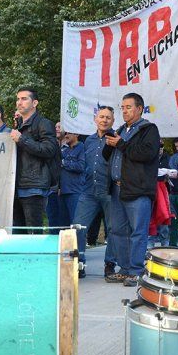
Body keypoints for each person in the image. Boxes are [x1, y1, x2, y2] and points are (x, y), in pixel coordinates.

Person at [102, 93, 160, 286]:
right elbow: (106, 156)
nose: (124, 111)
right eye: (122, 107)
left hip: (137, 190)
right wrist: (110, 142)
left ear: (139, 108)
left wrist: (121, 144)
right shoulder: (120, 129)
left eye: (128, 107)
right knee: (117, 230)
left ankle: (136, 271)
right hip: (118, 188)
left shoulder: (148, 129)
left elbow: (146, 154)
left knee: (137, 232)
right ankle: (124, 268)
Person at [73, 106, 117, 279]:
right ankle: (79, 263)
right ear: (95, 119)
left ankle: (110, 265)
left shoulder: (116, 139)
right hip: (88, 191)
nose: (104, 120)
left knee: (112, 229)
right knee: (77, 226)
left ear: (113, 121)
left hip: (109, 192)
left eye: (108, 117)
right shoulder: (88, 141)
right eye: (101, 116)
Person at [10, 86, 60, 227]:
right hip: (16, 186)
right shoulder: (18, 126)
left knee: (33, 232)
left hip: (34, 186)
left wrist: (22, 140)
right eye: (18, 99)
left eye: (24, 98)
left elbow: (49, 150)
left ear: (35, 103)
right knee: (18, 233)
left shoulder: (44, 123)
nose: (19, 102)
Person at [58, 132, 85, 268]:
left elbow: (81, 166)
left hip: (76, 192)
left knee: (76, 228)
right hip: (62, 192)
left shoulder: (82, 147)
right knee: (64, 229)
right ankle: (65, 262)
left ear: (77, 134)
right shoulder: (63, 148)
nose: (65, 135)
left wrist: (63, 162)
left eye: (68, 132)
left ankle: (80, 262)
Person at [147, 141, 171, 249]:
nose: (160, 149)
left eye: (161, 147)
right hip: (151, 189)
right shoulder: (149, 158)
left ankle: (165, 243)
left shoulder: (168, 159)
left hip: (164, 189)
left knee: (164, 215)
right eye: (158, 147)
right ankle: (150, 244)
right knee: (151, 217)